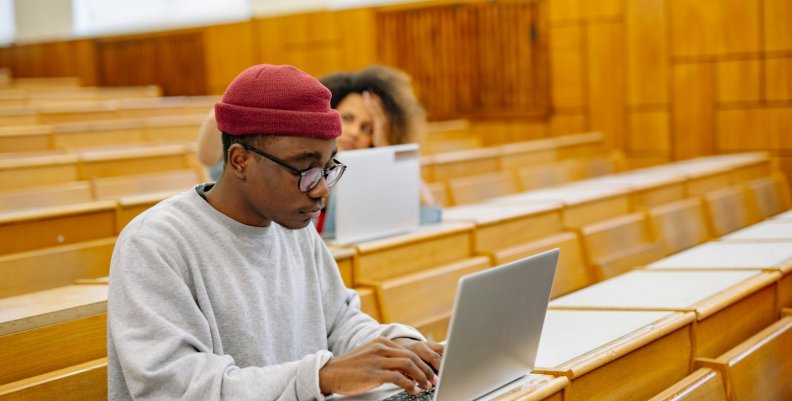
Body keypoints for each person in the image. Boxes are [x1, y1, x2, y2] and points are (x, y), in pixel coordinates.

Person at [108, 64, 444, 401]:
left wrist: (402, 348)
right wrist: (322, 377)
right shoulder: (154, 244)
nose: (321, 191)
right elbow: (173, 390)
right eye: (306, 169)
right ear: (240, 161)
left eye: (328, 169)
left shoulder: (293, 224)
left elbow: (340, 322)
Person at [317, 65, 441, 237]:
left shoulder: (371, 179)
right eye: (347, 118)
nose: (354, 132)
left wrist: (386, 145)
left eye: (368, 128)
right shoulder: (302, 169)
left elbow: (430, 215)